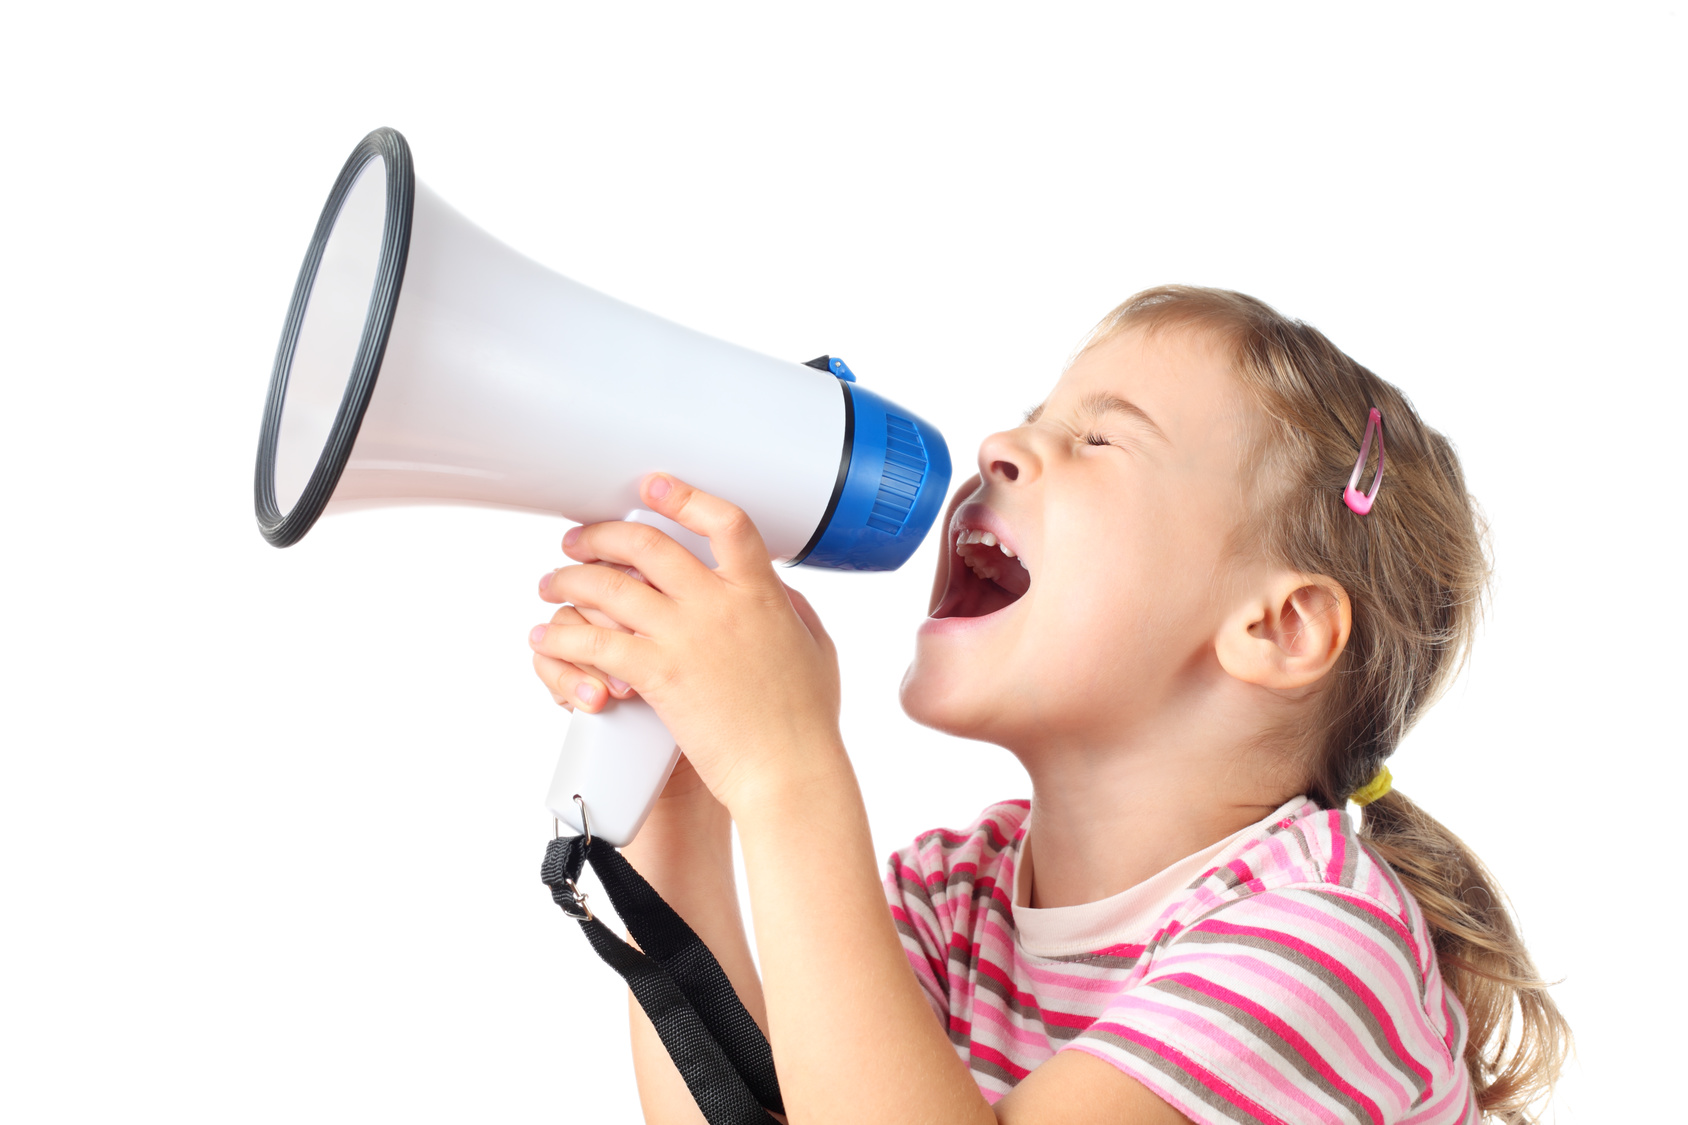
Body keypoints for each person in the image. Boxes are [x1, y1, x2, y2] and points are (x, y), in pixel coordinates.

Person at [528, 286, 1571, 1124]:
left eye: (1100, 441)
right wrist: (685, 814)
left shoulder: (1320, 943)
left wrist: (787, 778)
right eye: (1033, 419)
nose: (997, 446)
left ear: (1277, 628)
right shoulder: (954, 898)